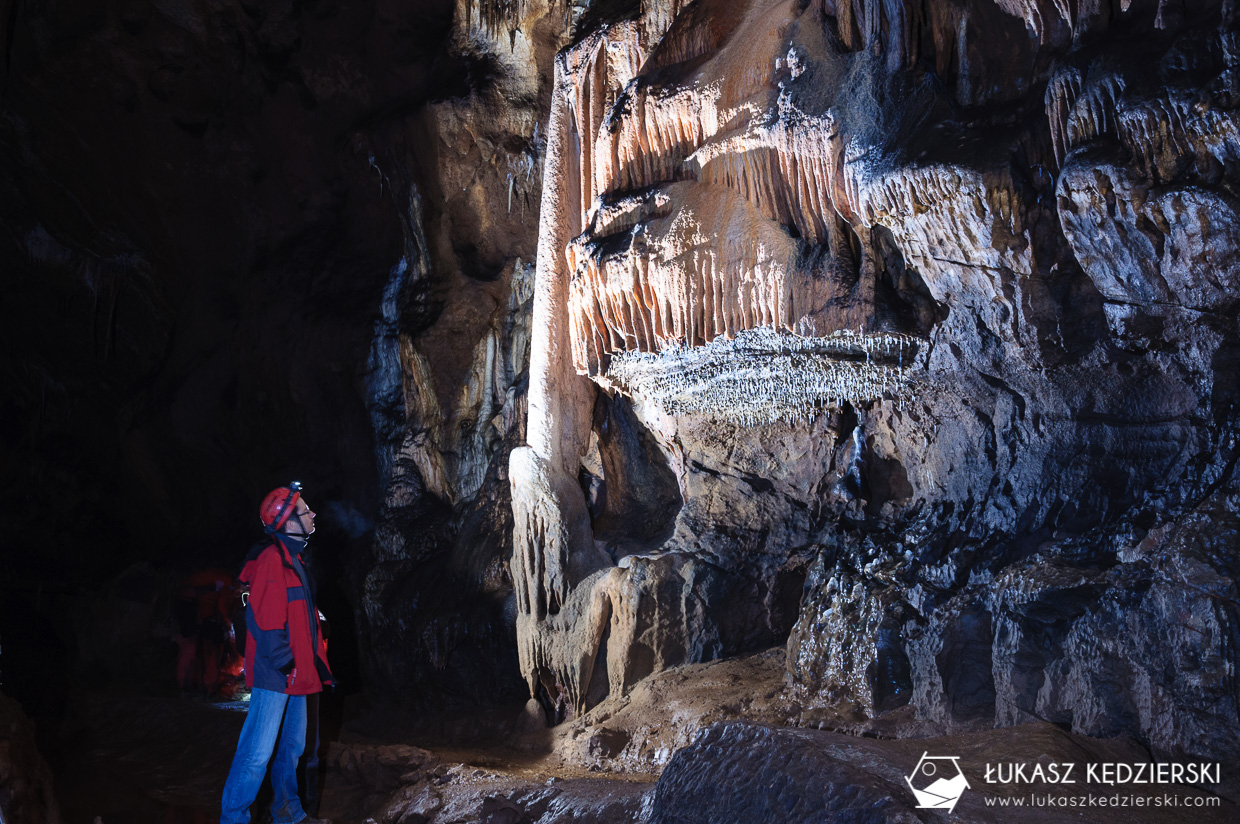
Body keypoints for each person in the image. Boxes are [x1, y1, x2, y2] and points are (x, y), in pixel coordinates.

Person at [219, 482, 333, 824]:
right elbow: (266, 624)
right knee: (257, 752)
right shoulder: (272, 560)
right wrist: (288, 666)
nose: (312, 515)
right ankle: (234, 817)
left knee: (292, 749)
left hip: (297, 673)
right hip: (278, 674)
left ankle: (287, 811)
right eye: (304, 511)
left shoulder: (294, 559)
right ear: (286, 522)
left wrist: (308, 665)